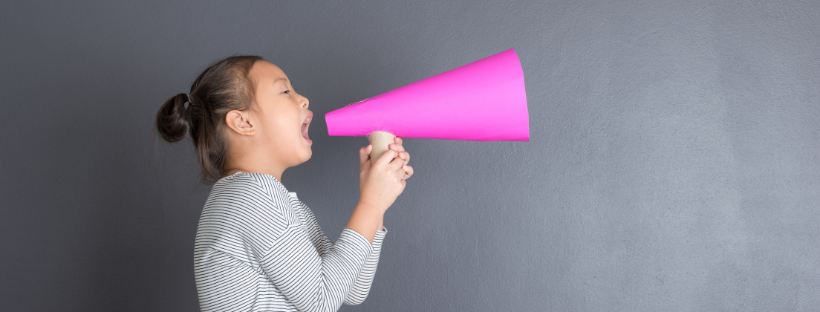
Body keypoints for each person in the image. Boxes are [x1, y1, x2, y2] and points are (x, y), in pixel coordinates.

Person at [154, 55, 413, 312]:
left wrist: (377, 204)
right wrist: (371, 202)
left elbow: (351, 288)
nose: (304, 99)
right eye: (286, 91)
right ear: (243, 122)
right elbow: (321, 301)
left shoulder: (272, 200)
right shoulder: (251, 196)